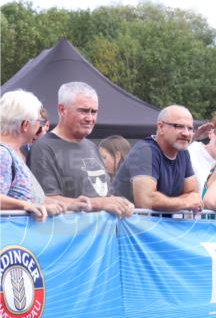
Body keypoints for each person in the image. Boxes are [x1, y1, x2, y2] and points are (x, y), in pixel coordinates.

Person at [28, 81, 133, 217]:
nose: (90, 118)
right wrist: (100, 203)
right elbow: (47, 200)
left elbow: (102, 194)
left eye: (94, 112)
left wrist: (119, 203)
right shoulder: (43, 147)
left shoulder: (92, 147)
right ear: (62, 110)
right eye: (83, 111)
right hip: (68, 234)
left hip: (101, 234)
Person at [111, 105, 203, 212]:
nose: (186, 133)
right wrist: (184, 202)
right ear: (161, 127)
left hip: (156, 225)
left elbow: (193, 195)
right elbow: (145, 201)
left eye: (190, 128)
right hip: (126, 224)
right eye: (179, 126)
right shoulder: (145, 151)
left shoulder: (183, 153)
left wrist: (170, 202)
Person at [0, 90, 68, 220]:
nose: (41, 126)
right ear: (25, 125)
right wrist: (25, 205)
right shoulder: (3, 154)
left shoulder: (11, 153)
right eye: (39, 122)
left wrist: (69, 205)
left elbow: (30, 197)